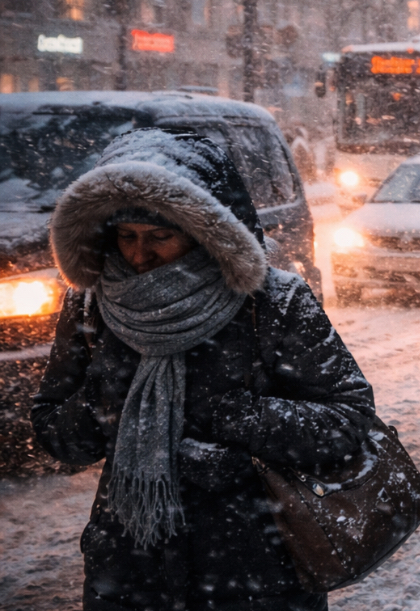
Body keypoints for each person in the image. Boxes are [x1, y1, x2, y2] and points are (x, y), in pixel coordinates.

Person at [32, 128, 375, 611]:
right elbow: (56, 435)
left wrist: (243, 419)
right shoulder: (92, 304)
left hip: (257, 569)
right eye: (127, 236)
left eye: (160, 236)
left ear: (203, 232)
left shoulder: (272, 301)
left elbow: (347, 417)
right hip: (130, 571)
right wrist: (102, 401)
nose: (139, 254)